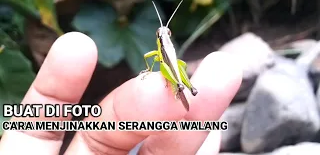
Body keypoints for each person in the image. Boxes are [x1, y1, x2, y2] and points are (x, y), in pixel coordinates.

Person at [0, 32, 242, 154]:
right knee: (170, 70)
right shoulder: (162, 47)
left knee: (176, 68)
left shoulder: (160, 49)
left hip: (171, 74)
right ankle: (180, 87)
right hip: (166, 78)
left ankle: (184, 87)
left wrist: (154, 73)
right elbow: (155, 59)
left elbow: (154, 59)